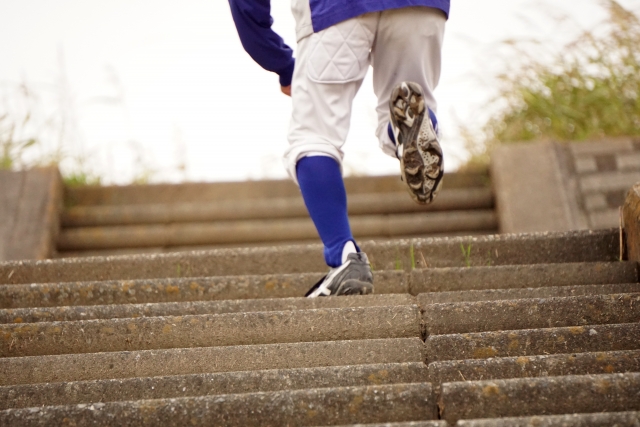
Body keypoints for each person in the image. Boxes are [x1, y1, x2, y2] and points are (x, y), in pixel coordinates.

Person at [229, 0, 448, 297]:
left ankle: (344, 256)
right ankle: (407, 134)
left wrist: (279, 61)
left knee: (314, 137)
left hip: (333, 9)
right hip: (421, 6)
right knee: (405, 101)